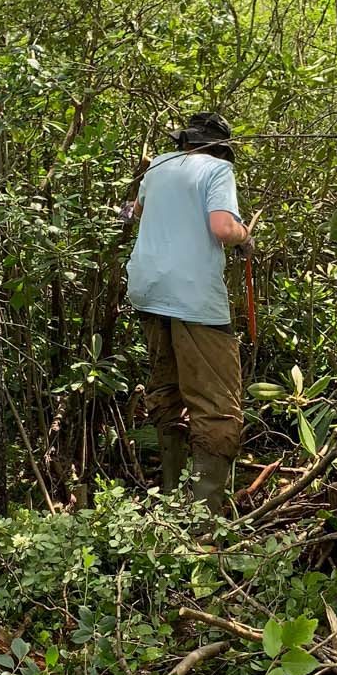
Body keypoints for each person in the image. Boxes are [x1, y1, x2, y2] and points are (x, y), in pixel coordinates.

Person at [125, 112, 250, 514]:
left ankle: (169, 495)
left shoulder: (158, 165)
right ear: (219, 147)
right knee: (216, 403)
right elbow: (221, 227)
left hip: (147, 290)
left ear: (185, 142)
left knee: (167, 389)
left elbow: (136, 212)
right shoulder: (218, 170)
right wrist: (245, 235)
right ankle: (204, 514)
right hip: (194, 298)